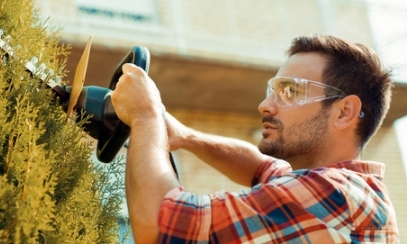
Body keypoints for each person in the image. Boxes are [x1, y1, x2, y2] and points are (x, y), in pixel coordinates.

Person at [111, 34, 399, 243]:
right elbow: (259, 167)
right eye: (272, 90)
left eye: (290, 91)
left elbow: (160, 226)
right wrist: (184, 136)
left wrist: (145, 115)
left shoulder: (334, 193)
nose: (265, 105)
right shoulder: (342, 189)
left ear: (344, 112)